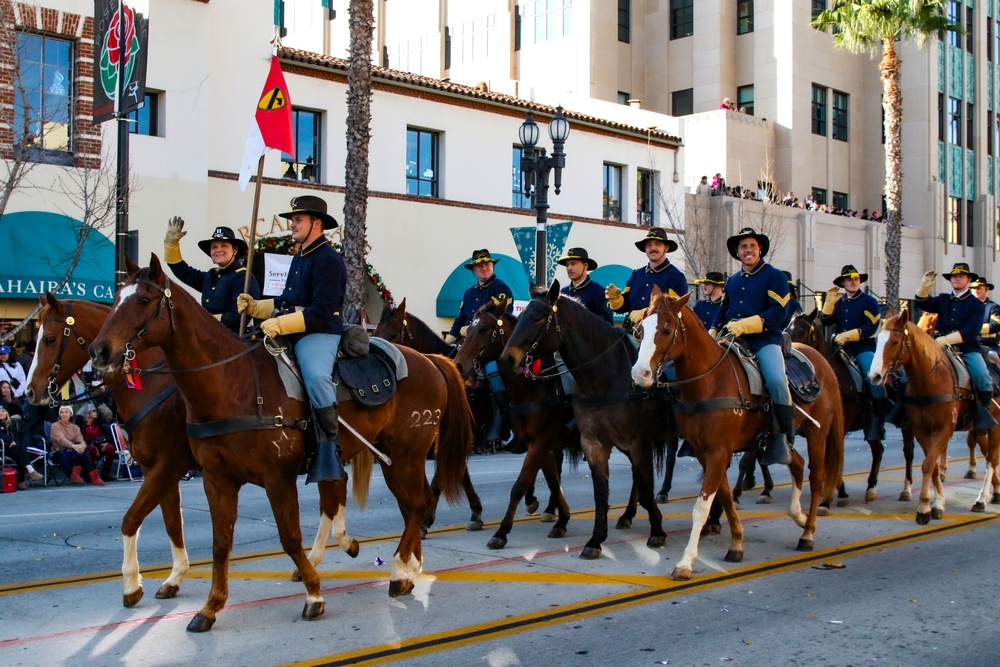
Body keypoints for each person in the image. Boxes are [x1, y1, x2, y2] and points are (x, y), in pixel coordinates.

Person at [237, 195, 346, 483]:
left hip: (319, 332)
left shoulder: (328, 259)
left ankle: (329, 447)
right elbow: (287, 301)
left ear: (316, 223)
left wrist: (280, 324)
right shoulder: (300, 256)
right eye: (292, 220)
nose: (292, 225)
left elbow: (322, 311)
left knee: (316, 378)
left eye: (298, 219)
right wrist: (256, 307)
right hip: (294, 329)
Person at [710, 227, 793, 466]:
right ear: (737, 252)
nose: (748, 250)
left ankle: (784, 437)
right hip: (733, 339)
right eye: (743, 247)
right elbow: (723, 312)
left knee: (777, 380)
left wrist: (747, 325)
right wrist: (714, 330)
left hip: (764, 340)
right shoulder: (733, 281)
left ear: (760, 250)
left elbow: (779, 313)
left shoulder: (774, 276)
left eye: (752, 246)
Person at [916, 263, 998, 433]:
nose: (957, 278)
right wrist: (924, 287)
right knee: (913, 371)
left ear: (968, 280)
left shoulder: (976, 304)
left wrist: (947, 339)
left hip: (966, 348)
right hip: (939, 346)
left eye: (961, 276)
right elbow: (923, 303)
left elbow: (972, 330)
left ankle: (982, 413)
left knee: (982, 376)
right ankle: (905, 410)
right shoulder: (943, 299)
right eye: (954, 276)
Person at [821, 265, 888, 440]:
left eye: (856, 278)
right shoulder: (839, 303)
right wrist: (829, 302)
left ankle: (879, 413)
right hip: (840, 348)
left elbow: (870, 327)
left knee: (872, 375)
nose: (853, 281)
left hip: (862, 347)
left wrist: (848, 336)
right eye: (849, 279)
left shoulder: (869, 301)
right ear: (843, 283)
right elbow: (825, 321)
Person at [163, 218, 261, 334]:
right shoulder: (211, 276)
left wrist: (202, 319)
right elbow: (183, 271)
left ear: (235, 250)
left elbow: (238, 319)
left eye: (224, 245)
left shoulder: (243, 277)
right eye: (214, 247)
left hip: (234, 341)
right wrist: (171, 245)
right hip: (208, 336)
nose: (218, 250)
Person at [605, 228, 688, 333]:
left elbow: (676, 309)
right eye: (649, 245)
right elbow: (626, 305)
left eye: (657, 244)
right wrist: (616, 299)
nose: (652, 248)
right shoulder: (636, 274)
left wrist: (645, 312)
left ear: (666, 248)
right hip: (631, 332)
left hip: (658, 338)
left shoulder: (676, 276)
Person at [446, 249, 512, 343]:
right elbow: (461, 319)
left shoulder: (501, 289)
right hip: (466, 342)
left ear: (492, 266)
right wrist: (451, 336)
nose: (484, 268)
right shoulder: (469, 293)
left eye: (487, 264)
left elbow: (500, 317)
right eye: (479, 266)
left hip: (489, 343)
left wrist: (471, 328)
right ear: (474, 270)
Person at [50, 404, 104, 485]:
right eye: (62, 412)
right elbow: (61, 440)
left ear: (71, 414)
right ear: (59, 414)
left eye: (66, 412)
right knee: (83, 452)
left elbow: (81, 440)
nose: (64, 414)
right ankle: (94, 477)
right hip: (61, 451)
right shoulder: (55, 426)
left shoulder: (75, 427)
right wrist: (74, 446)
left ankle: (76, 474)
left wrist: (82, 446)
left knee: (81, 449)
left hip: (75, 451)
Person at [558, 248, 613, 323]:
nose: (569, 268)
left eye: (573, 263)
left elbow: (607, 325)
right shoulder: (564, 292)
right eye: (567, 265)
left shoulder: (598, 292)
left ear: (585, 265)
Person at [0, 408, 42, 490]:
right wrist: (12, 440)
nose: (1, 413)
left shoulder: (14, 423)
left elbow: (26, 435)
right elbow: (1, 435)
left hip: (16, 448)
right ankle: (24, 477)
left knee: (21, 450)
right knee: (21, 451)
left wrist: (23, 444)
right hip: (3, 449)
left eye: (3, 411)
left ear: (7, 413)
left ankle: (22, 480)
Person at [75, 402, 116, 482]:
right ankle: (92, 474)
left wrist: (107, 442)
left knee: (110, 448)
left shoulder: (98, 422)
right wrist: (92, 445)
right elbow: (80, 438)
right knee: (92, 449)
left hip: (100, 444)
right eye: (93, 411)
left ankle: (105, 474)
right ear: (87, 413)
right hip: (86, 445)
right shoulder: (81, 424)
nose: (96, 412)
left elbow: (108, 434)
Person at [972, 277, 1000, 361]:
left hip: (987, 346)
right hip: (966, 346)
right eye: (974, 288)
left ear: (987, 289)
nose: (976, 291)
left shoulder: (993, 307)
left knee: (993, 362)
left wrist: (972, 328)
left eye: (979, 288)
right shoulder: (965, 307)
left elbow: (995, 325)